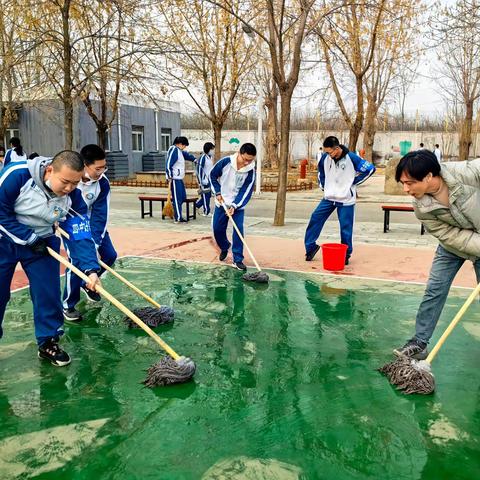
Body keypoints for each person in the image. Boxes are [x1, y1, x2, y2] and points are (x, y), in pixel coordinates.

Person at [0, 151, 101, 366]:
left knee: (48, 293)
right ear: (49, 171)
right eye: (65, 182)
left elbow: (80, 234)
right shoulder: (17, 175)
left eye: (75, 184)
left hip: (42, 243)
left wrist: (91, 270)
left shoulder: (73, 196)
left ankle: (48, 341)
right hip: (4, 240)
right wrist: (27, 237)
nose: (69, 189)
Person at [393, 150, 480, 359]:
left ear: (429, 176)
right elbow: (448, 235)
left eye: (410, 183)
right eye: (402, 183)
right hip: (452, 246)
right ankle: (419, 342)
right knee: (434, 290)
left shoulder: (467, 173)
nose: (406, 189)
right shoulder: (420, 207)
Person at [62, 144, 116, 321]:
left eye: (104, 167)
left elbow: (101, 214)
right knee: (76, 261)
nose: (101, 171)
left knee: (109, 256)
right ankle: (68, 305)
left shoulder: (103, 183)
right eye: (98, 168)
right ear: (85, 165)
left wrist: (95, 242)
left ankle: (89, 283)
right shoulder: (70, 179)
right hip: (71, 224)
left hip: (94, 225)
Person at [304, 136, 375, 265]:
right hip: (329, 198)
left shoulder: (352, 158)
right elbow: (321, 172)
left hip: (346, 198)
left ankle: (346, 254)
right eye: (326, 152)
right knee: (315, 218)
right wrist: (324, 186)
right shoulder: (325, 158)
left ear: (337, 149)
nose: (328, 155)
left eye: (330, 152)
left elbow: (370, 169)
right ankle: (310, 247)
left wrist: (353, 183)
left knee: (345, 228)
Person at [209, 143, 256, 271]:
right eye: (245, 159)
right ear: (239, 153)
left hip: (237, 205)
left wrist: (235, 205)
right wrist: (217, 192)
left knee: (238, 230)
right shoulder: (225, 162)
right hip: (222, 202)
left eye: (250, 160)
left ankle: (238, 259)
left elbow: (246, 191)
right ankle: (224, 246)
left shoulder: (251, 170)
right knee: (217, 229)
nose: (247, 163)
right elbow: (212, 176)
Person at [165, 136, 196, 223]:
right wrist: (170, 176)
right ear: (180, 144)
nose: (185, 147)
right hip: (174, 179)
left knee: (182, 197)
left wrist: (194, 159)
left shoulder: (179, 151)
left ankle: (177, 214)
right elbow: (168, 164)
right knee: (177, 198)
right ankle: (178, 217)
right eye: (184, 145)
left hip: (179, 178)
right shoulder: (174, 150)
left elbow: (186, 155)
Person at [195, 142, 215, 216]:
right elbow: (199, 170)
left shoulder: (210, 157)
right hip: (203, 181)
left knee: (208, 196)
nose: (213, 150)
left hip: (209, 180)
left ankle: (196, 205)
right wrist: (200, 182)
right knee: (205, 196)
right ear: (208, 149)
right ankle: (206, 212)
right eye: (212, 149)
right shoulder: (203, 157)